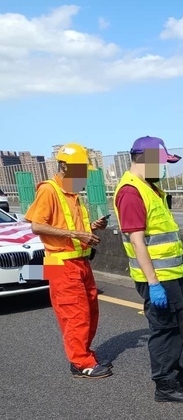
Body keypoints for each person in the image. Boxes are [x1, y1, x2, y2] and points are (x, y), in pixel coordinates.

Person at [113, 136, 183, 403]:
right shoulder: (131, 192)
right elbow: (137, 241)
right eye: (161, 163)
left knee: (176, 326)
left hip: (170, 275)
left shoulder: (149, 188)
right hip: (158, 278)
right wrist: (153, 283)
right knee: (164, 330)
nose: (163, 169)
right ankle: (165, 384)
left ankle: (174, 371)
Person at [25, 143, 111, 378]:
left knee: (90, 312)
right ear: (63, 166)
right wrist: (76, 234)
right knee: (74, 315)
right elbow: (36, 225)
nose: (82, 175)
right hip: (59, 263)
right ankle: (81, 363)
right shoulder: (49, 190)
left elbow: (69, 226)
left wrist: (92, 228)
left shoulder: (72, 194)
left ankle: (84, 354)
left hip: (80, 261)